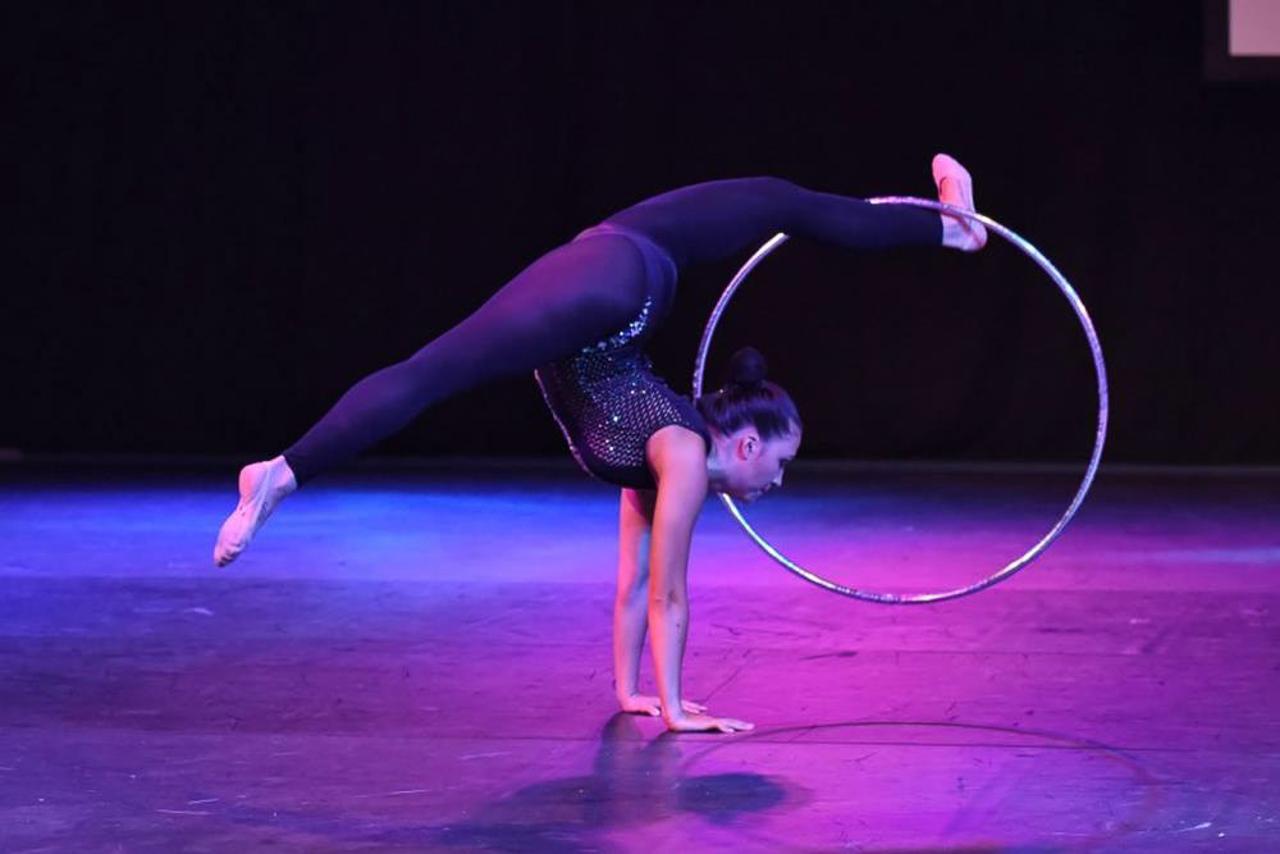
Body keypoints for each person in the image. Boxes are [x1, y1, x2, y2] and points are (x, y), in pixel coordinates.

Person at [214, 154, 987, 733]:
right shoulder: (682, 455)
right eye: (782, 463)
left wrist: (631, 693)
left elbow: (633, 585)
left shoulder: (658, 456)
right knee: (435, 370)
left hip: (618, 268)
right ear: (746, 444)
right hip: (618, 283)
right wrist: (677, 711)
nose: (780, 484)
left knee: (777, 199)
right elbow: (671, 593)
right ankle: (283, 472)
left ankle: (950, 229)